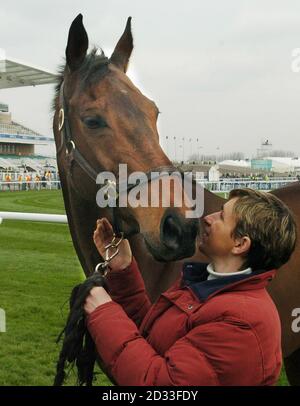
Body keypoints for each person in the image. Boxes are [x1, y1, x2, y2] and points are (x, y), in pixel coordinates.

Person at [84, 188, 297, 386]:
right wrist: (123, 269)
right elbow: (150, 341)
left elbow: (160, 384)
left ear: (240, 244)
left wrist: (104, 312)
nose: (207, 218)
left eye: (221, 216)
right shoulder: (206, 284)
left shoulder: (240, 321)